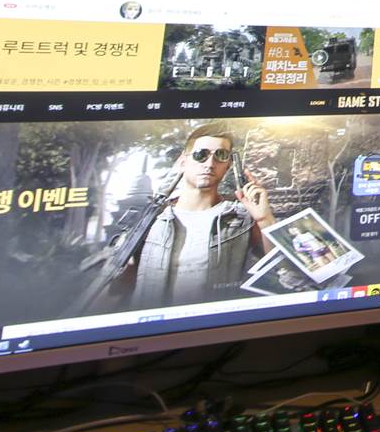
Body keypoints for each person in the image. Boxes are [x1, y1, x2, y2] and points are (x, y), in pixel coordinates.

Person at [83, 123, 277, 309]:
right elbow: (117, 286)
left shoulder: (240, 217)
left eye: (221, 155)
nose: (210, 163)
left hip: (216, 323)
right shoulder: (152, 220)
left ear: (228, 165)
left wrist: (264, 219)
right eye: (200, 155)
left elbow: (282, 268)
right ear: (183, 162)